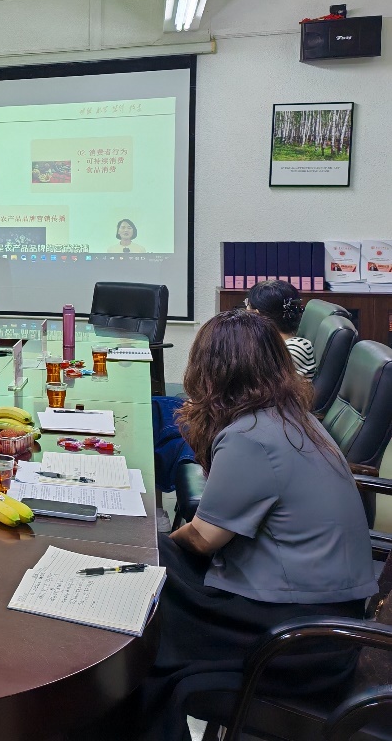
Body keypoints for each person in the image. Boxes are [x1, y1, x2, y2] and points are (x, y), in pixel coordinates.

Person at [138, 309, 376, 741]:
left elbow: (204, 538)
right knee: (151, 579)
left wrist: (156, 545)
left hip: (297, 638)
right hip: (324, 616)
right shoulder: (291, 418)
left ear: (211, 372)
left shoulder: (251, 436)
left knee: (142, 609)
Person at [246, 279, 316, 380]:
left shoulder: (293, 349)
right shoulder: (274, 345)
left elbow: (260, 385)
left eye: (247, 305)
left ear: (256, 315)